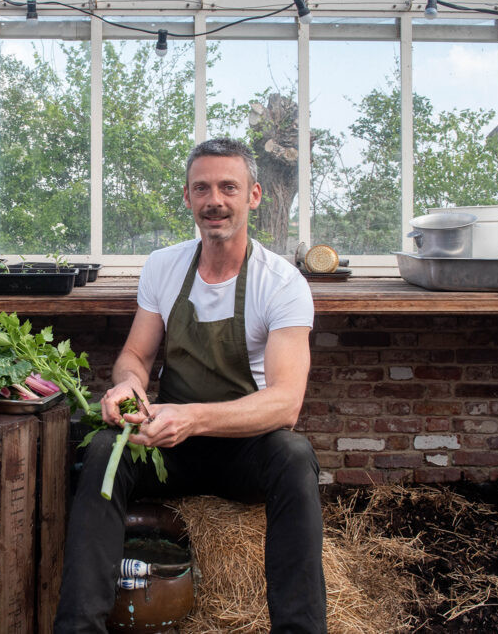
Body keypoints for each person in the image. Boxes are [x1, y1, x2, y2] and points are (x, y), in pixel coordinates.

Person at [54, 138, 326, 632]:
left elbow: (286, 405)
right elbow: (135, 356)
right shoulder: (164, 265)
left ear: (254, 196)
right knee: (100, 450)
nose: (214, 200)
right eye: (202, 188)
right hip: (169, 449)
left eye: (228, 187)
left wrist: (193, 417)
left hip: (244, 450)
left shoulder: (281, 282)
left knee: (294, 455)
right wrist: (130, 388)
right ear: (187, 197)